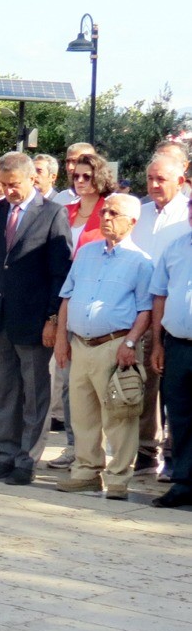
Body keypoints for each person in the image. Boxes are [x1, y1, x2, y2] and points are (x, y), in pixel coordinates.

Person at [0, 152, 73, 485]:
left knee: (35, 395)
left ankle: (26, 461)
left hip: (34, 322)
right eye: (3, 185)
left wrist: (51, 318)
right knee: (4, 392)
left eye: (14, 185)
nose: (9, 191)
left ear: (32, 179)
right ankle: (5, 455)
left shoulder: (53, 214)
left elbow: (60, 273)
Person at [52, 193, 151, 500]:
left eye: (114, 213)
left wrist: (131, 343)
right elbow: (67, 296)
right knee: (82, 414)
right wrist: (61, 340)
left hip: (116, 345)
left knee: (119, 415)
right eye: (104, 211)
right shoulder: (87, 253)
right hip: (81, 344)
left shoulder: (141, 262)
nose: (105, 216)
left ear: (132, 221)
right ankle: (86, 472)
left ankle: (119, 478)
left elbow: (146, 310)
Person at [132, 154, 191, 479]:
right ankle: (145, 452)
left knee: (175, 396)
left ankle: (174, 459)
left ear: (180, 181)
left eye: (161, 179)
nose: (154, 185)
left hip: (174, 319)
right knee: (144, 386)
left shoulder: (187, 216)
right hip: (140, 313)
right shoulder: (138, 215)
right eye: (150, 178)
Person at [149, 199, 192, 508]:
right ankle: (183, 482)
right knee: (180, 416)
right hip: (177, 345)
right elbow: (160, 294)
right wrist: (158, 342)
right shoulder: (176, 248)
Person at [65, 153, 116, 254]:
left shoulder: (110, 214)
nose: (80, 180)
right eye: (76, 176)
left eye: (86, 177)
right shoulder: (64, 211)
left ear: (99, 178)